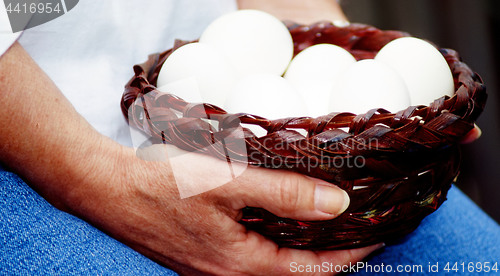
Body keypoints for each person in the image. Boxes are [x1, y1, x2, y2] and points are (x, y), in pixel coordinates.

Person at [0, 0, 497, 275]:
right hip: (41, 141)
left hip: (256, 134)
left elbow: (282, 13)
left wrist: (373, 126)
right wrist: (101, 179)